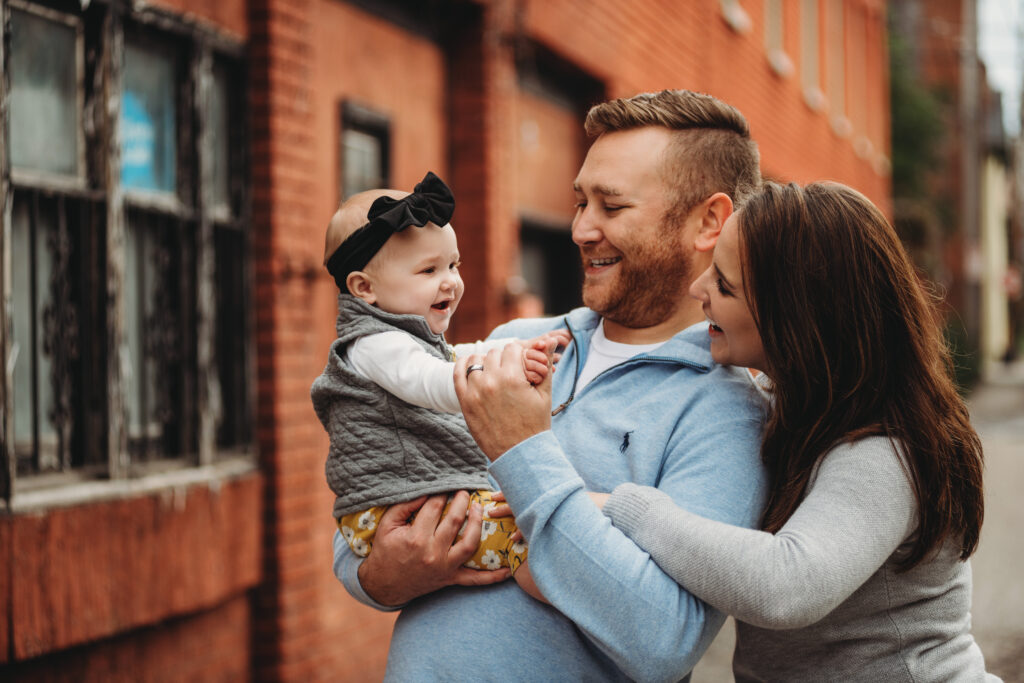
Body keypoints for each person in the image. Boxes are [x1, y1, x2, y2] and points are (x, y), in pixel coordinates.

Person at [334, 89, 769, 681]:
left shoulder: (727, 410)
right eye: (580, 203)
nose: (581, 229)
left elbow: (664, 640)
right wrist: (380, 575)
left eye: (611, 207)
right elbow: (380, 483)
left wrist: (525, 450)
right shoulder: (513, 340)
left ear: (709, 222)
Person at [586, 181, 998, 680]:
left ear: (796, 316)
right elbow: (672, 351)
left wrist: (630, 509)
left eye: (724, 284)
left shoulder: (885, 451)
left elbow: (788, 587)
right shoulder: (794, 409)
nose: (699, 291)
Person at [311, 171, 565, 600]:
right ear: (364, 288)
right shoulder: (374, 345)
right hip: (393, 511)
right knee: (527, 536)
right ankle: (570, 599)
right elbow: (432, 381)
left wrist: (514, 350)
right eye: (429, 269)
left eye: (453, 264)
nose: (450, 280)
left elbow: (456, 355)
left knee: (521, 520)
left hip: (414, 500)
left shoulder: (403, 338)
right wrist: (496, 377)